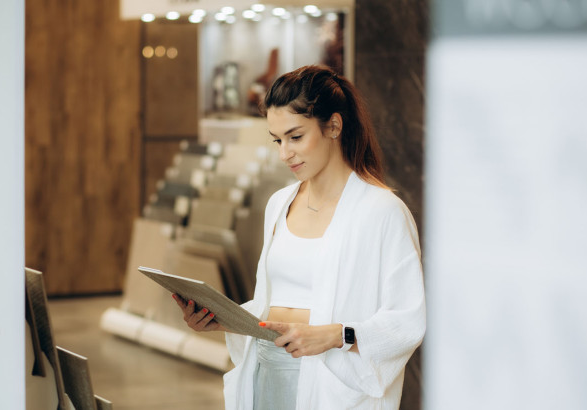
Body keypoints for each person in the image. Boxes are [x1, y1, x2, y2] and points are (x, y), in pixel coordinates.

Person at [173, 65, 426, 409]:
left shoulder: (382, 212)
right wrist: (224, 319)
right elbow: (272, 302)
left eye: (295, 137)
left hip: (331, 382)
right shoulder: (279, 203)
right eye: (277, 140)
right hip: (267, 366)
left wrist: (337, 335)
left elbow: (406, 320)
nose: (284, 153)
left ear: (334, 126)